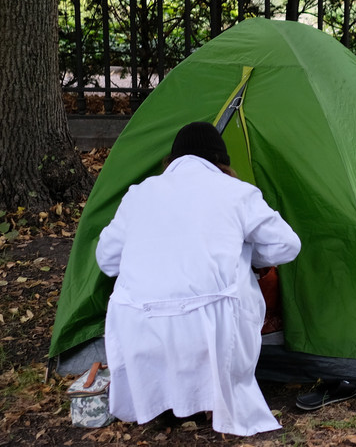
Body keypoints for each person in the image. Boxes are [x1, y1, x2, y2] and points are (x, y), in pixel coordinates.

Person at [96, 121, 302, 436]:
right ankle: (213, 400)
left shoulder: (139, 193)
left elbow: (107, 260)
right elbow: (287, 245)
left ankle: (161, 398)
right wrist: (248, 257)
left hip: (138, 324)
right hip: (215, 326)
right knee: (237, 282)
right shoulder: (237, 192)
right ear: (221, 162)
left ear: (171, 161)